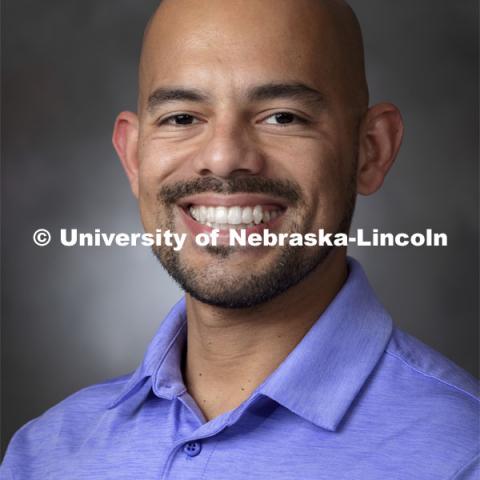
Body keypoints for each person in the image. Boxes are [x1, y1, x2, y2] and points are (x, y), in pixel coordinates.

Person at [2, 0, 478, 478]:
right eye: (182, 118)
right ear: (133, 156)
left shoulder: (463, 456)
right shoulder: (44, 454)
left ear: (370, 151)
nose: (225, 157)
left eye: (283, 117)